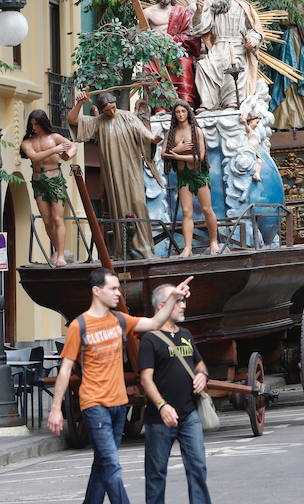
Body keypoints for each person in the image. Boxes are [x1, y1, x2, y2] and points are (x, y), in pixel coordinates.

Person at [47, 268, 190, 504]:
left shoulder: (120, 320)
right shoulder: (79, 326)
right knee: (112, 465)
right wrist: (54, 409)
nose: (119, 293)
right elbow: (65, 369)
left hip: (119, 405)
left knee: (103, 463)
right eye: (113, 288)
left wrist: (174, 297)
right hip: (95, 405)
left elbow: (155, 322)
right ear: (96, 291)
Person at [139, 283, 212, 504]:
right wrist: (162, 405)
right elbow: (145, 379)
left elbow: (200, 365)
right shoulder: (149, 339)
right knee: (156, 474)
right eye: (179, 301)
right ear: (163, 305)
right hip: (160, 417)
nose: (184, 306)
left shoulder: (186, 335)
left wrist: (203, 376)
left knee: (198, 466)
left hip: (189, 414)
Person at [69, 91, 163, 259]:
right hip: (113, 172)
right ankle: (125, 250)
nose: (111, 112)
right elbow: (73, 121)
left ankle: (144, 248)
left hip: (132, 168)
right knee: (119, 206)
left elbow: (142, 131)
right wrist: (80, 104)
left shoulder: (128, 117)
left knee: (138, 203)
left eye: (113, 108)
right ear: (102, 111)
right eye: (107, 110)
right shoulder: (99, 122)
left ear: (115, 104)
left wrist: (152, 139)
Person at [189, 0, 264, 111]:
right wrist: (199, 12)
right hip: (218, 46)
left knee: (232, 65)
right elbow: (200, 28)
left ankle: (232, 102)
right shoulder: (213, 7)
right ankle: (208, 103)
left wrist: (253, 40)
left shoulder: (243, 7)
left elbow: (254, 29)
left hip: (237, 47)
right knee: (203, 66)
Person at [21, 110, 77, 267]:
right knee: (46, 220)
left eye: (36, 124)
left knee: (58, 218)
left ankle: (60, 255)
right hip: (39, 182)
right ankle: (58, 249)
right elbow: (34, 157)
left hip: (55, 181)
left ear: (43, 123)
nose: (34, 127)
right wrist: (54, 150)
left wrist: (67, 155)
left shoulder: (55, 137)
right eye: (32, 124)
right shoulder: (28, 142)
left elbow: (72, 147)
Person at [162, 102, 219, 256]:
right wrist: (177, 149)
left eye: (183, 111)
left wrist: (178, 156)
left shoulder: (196, 131)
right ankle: (188, 247)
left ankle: (214, 241)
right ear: (174, 114)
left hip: (199, 174)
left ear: (188, 112)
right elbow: (164, 153)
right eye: (177, 112)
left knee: (207, 209)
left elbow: (200, 157)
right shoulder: (171, 133)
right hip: (183, 176)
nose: (180, 114)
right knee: (186, 211)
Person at [143, 0, 200, 108]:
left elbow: (190, 34)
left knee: (184, 63)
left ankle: (185, 105)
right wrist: (152, 37)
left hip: (176, 51)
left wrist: (173, 39)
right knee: (149, 67)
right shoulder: (147, 12)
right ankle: (159, 108)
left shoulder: (181, 12)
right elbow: (140, 35)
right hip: (155, 52)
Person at [268, 1, 304, 130]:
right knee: (284, 77)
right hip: (285, 41)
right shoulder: (278, 1)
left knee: (300, 74)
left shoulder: (300, 1)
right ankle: (284, 119)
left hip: (298, 40)